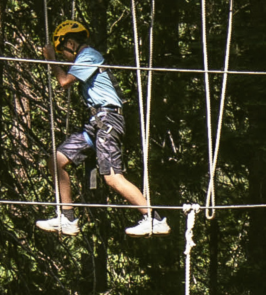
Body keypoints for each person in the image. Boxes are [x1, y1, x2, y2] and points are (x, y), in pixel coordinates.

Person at [38, 16, 168, 236]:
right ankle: (67, 218)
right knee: (56, 161)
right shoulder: (85, 58)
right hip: (96, 123)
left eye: (63, 52)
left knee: (112, 177)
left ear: (71, 43)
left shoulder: (89, 55)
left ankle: (153, 218)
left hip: (108, 120)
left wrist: (51, 59)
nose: (65, 57)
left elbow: (64, 82)